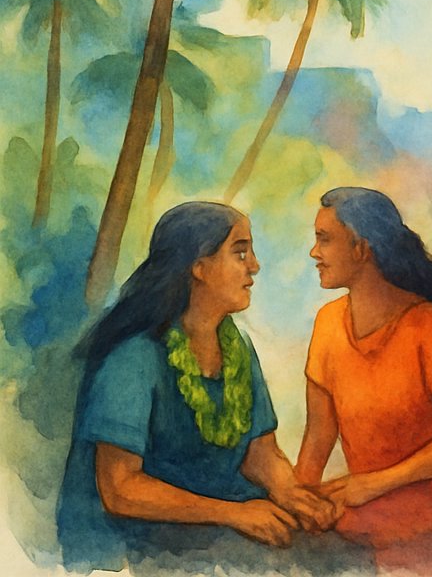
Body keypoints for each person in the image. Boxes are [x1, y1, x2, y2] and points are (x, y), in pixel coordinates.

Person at [58, 202, 338, 572]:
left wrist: (290, 492)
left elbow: (261, 452)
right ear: (199, 267)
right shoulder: (135, 358)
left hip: (217, 525)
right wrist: (233, 514)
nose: (254, 265)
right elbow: (120, 490)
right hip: (138, 545)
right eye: (240, 252)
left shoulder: (238, 348)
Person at [297, 187, 432, 558]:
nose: (314, 253)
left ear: (361, 249)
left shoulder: (430, 327)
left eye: (324, 240)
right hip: (368, 498)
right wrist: (298, 500)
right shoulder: (327, 324)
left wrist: (372, 485)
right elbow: (318, 437)